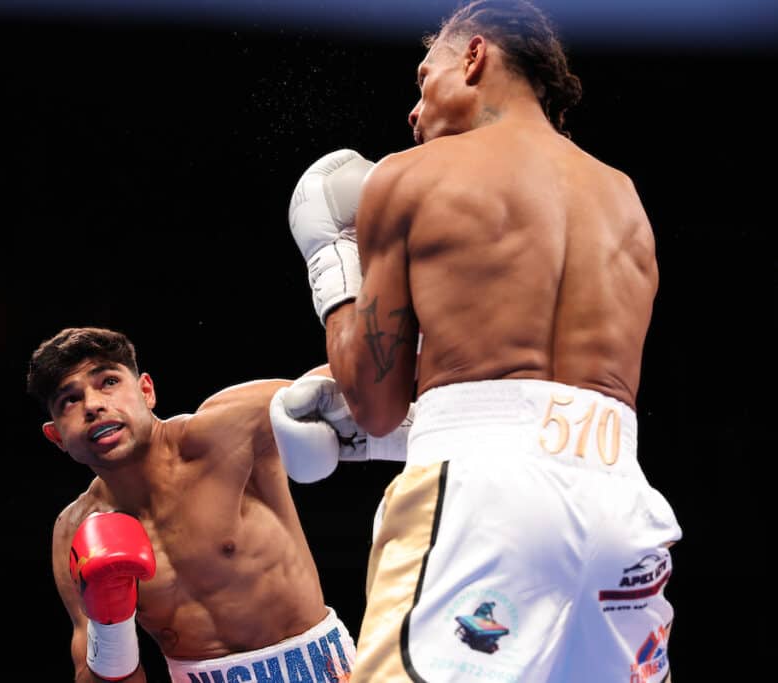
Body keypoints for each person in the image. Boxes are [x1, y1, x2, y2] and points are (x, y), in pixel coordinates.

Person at [280, 1, 683, 681]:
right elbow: (536, 398)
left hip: (481, 504)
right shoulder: (626, 199)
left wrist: (332, 263)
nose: (413, 111)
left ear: (473, 56)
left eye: (421, 76)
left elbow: (376, 401)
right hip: (625, 508)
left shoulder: (407, 178)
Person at [26, 326, 359, 682]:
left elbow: (355, 382)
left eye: (108, 382)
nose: (93, 405)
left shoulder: (226, 431)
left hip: (325, 672)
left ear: (146, 391)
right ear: (57, 436)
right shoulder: (74, 531)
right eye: (69, 401)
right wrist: (110, 625)